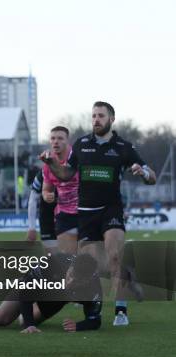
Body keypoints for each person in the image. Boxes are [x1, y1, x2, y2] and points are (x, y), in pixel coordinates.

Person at [41, 101, 156, 326]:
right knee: (91, 267)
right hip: (85, 213)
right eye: (93, 115)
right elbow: (65, 174)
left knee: (114, 256)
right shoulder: (81, 144)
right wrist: (51, 163)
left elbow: (151, 175)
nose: (96, 119)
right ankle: (127, 275)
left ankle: (121, 311)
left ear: (111, 119)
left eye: (101, 116)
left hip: (111, 209)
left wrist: (143, 172)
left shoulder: (124, 147)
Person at [0, 254, 102, 333]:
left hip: (55, 299)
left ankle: (28, 318)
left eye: (77, 281)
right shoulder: (52, 263)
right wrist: (29, 325)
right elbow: (26, 290)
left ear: (87, 281)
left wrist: (78, 326)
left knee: (24, 318)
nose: (70, 282)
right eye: (70, 275)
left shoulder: (93, 287)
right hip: (31, 286)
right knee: (1, 319)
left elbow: (94, 320)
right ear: (70, 267)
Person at [41, 126, 79, 254]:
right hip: (64, 215)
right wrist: (47, 195)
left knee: (96, 260)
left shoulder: (77, 157)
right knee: (68, 257)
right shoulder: (48, 163)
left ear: (67, 141)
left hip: (85, 212)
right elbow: (46, 189)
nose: (55, 141)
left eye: (60, 138)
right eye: (53, 138)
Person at [27, 169, 57, 252]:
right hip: (47, 219)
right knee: (52, 254)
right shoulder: (42, 174)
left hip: (68, 217)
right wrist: (32, 227)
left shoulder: (72, 169)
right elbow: (33, 199)